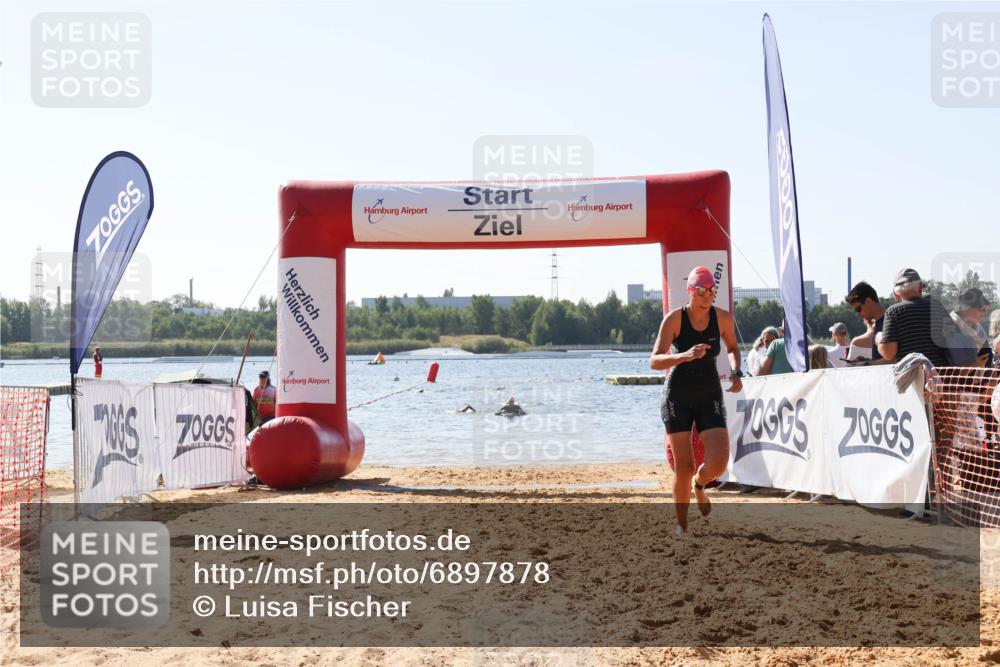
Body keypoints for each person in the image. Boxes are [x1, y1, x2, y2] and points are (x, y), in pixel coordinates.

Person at [650, 266, 743, 536]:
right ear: (690, 291)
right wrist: (684, 355)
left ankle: (699, 485)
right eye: (702, 292)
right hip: (677, 394)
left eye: (712, 291)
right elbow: (655, 360)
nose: (707, 297)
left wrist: (736, 370)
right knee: (684, 467)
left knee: (719, 462)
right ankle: (681, 524)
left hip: (708, 393)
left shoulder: (722, 318)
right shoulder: (675, 319)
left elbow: (733, 348)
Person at [878, 268, 951, 367]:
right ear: (920, 287)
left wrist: (879, 339)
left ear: (896, 293)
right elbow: (953, 338)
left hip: (913, 375)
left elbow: (888, 353)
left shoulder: (893, 312)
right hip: (941, 373)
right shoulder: (937, 306)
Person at [845, 281, 887, 363]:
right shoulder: (879, 324)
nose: (858, 314)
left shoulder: (889, 323)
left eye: (858, 309)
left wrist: (867, 363)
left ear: (868, 301)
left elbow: (893, 359)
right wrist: (867, 361)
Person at [951, 288, 992, 368]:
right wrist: (974, 365)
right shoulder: (951, 329)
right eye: (982, 309)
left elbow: (988, 357)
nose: (984, 313)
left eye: (986, 310)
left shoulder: (978, 330)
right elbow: (951, 369)